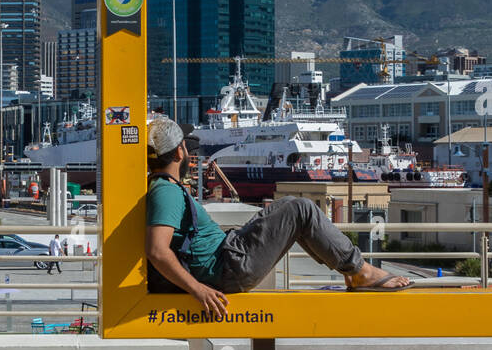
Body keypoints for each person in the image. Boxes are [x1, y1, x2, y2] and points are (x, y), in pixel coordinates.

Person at [144, 117, 411, 319]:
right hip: (227, 268)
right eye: (186, 146)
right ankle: (360, 271)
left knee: (288, 209)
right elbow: (157, 250)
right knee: (300, 209)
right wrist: (197, 289)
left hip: (227, 257)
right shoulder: (166, 191)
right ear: (180, 152)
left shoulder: (163, 187)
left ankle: (353, 270)